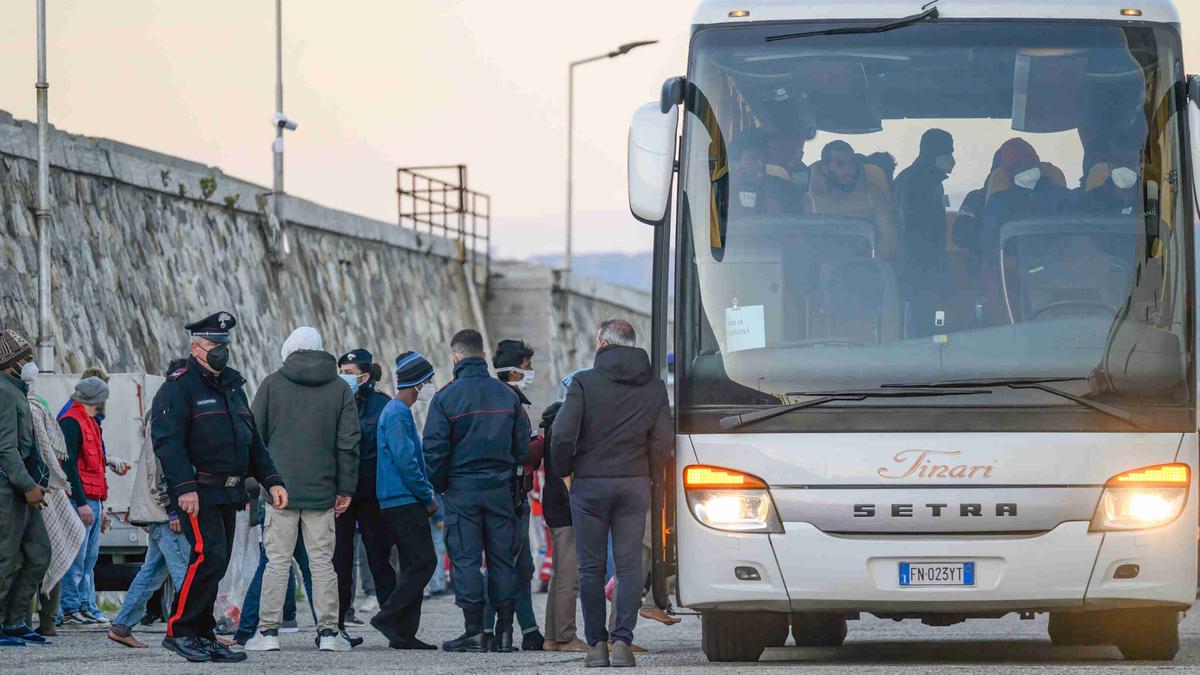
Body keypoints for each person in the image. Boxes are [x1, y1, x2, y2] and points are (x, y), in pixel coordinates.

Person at [153, 311, 288, 663]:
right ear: (195, 348)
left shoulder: (232, 387)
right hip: (199, 490)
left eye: (223, 344)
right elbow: (168, 442)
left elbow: (252, 442)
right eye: (213, 344)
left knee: (217, 562)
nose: (220, 351)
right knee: (207, 556)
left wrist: (272, 480)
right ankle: (180, 631)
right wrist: (184, 487)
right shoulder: (179, 387)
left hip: (230, 491)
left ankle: (202, 633)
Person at [550, 320, 673, 668]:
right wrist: (648, 475)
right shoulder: (654, 387)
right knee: (629, 566)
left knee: (590, 569)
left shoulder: (584, 383)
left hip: (590, 485)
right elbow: (663, 440)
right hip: (634, 485)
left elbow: (562, 434)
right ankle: (622, 643)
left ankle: (596, 647)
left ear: (602, 344)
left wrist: (565, 472)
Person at [244, 327, 360, 652]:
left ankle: (268, 633)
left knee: (277, 562)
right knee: (322, 563)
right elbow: (349, 443)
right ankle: (329, 633)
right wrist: (345, 487)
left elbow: (254, 437)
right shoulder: (340, 388)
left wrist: (258, 482)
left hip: (278, 490)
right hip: (323, 491)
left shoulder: (271, 384)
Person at [423, 329, 530, 653]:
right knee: (502, 560)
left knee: (466, 560)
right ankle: (505, 632)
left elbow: (434, 451)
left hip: (461, 490)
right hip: (500, 489)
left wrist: (443, 486)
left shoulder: (445, 397)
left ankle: (474, 631)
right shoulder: (507, 395)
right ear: (483, 356)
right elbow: (521, 447)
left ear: (456, 357)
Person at [108, 360, 193, 648]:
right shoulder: (167, 416)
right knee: (185, 573)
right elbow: (159, 468)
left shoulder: (161, 413)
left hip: (156, 510)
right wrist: (172, 510)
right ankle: (197, 629)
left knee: (152, 573)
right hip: (165, 511)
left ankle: (122, 625)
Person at [369, 351, 439, 650]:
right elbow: (406, 461)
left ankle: (404, 633)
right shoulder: (397, 414)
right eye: (429, 380)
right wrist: (426, 495)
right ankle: (388, 617)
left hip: (398, 499)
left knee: (412, 566)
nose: (431, 386)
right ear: (418, 383)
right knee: (425, 562)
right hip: (403, 500)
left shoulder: (397, 412)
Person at [483, 339, 545, 652]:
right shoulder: (507, 401)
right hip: (509, 495)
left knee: (521, 567)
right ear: (513, 370)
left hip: (509, 494)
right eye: (527, 366)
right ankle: (490, 630)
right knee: (505, 566)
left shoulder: (506, 398)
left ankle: (526, 630)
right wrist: (541, 443)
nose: (531, 371)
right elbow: (517, 451)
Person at [333, 349, 395, 640]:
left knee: (379, 559)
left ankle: (394, 624)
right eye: (341, 372)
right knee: (340, 562)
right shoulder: (333, 403)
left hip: (372, 494)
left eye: (349, 373)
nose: (343, 377)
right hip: (340, 494)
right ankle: (337, 625)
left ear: (365, 376)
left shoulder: (384, 406)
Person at [21, 362, 85, 639]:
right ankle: (48, 621)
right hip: (50, 487)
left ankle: (22, 621)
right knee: (50, 554)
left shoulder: (22, 407)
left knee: (26, 559)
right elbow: (52, 453)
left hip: (29, 489)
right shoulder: (42, 406)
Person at [58, 376, 126, 628]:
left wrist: (100, 505)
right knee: (76, 557)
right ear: (98, 398)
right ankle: (69, 609)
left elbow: (94, 465)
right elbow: (68, 464)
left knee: (89, 558)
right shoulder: (72, 421)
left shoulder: (91, 421)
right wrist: (81, 502)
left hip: (94, 498)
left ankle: (84, 606)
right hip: (82, 500)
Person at [0, 328, 51, 647]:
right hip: (8, 488)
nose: (31, 364)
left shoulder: (15, 390)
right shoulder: (4, 393)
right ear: (11, 362)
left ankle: (14, 620)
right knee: (4, 559)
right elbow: (6, 448)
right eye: (27, 358)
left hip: (21, 488)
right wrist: (27, 485)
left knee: (38, 553)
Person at [539, 388, 587, 653]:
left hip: (554, 504)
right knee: (569, 576)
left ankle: (552, 636)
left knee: (559, 574)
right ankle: (566, 636)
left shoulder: (554, 420)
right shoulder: (567, 424)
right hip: (566, 506)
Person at [803, 140, 898, 260]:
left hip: (869, 266)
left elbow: (889, 241)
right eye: (840, 165)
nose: (849, 170)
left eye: (852, 164)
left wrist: (868, 263)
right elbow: (808, 250)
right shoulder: (811, 201)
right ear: (825, 169)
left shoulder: (873, 196)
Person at [894, 129, 956, 284]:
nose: (952, 159)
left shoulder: (927, 180)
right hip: (917, 267)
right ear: (934, 154)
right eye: (948, 152)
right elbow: (912, 227)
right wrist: (926, 266)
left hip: (921, 264)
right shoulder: (917, 182)